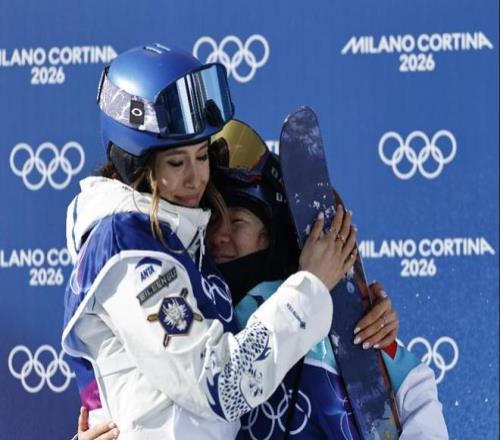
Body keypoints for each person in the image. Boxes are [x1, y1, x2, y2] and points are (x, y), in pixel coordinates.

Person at [62, 43, 357, 440]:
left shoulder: (175, 236)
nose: (196, 178)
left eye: (201, 156)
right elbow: (220, 385)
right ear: (135, 163)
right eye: (176, 162)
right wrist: (311, 287)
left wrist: (361, 310)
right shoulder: (129, 248)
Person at [207, 120, 449, 439]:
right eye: (212, 222)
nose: (219, 236)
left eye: (237, 221)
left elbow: (414, 388)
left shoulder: (335, 311)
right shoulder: (201, 312)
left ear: (271, 233)